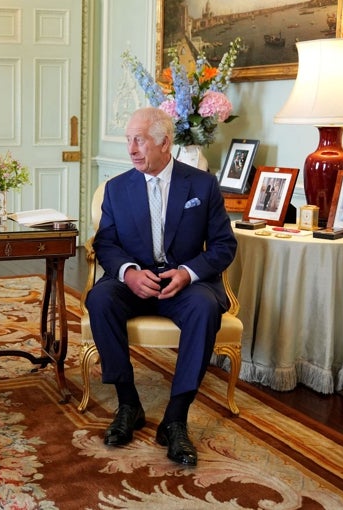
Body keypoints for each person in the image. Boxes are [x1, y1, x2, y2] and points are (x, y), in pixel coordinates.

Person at [85, 107, 237, 466]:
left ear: (165, 142)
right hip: (134, 283)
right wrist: (128, 273)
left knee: (204, 307)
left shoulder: (201, 185)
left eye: (139, 140)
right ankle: (128, 404)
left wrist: (187, 273)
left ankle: (175, 418)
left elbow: (223, 245)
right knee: (101, 298)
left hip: (182, 286)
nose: (131, 149)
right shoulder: (117, 188)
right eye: (128, 140)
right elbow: (104, 243)